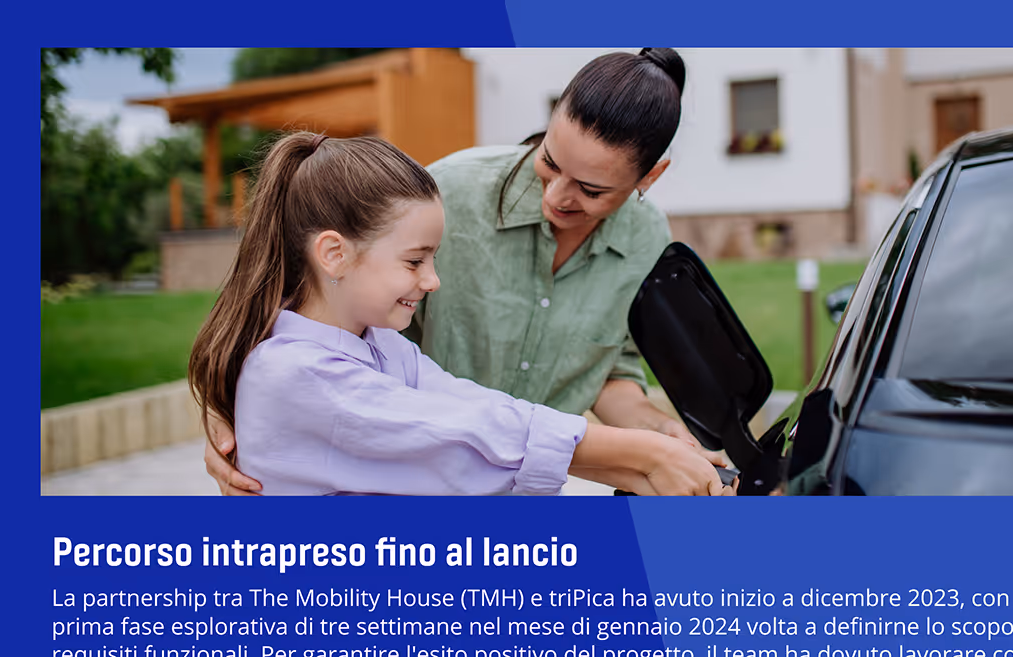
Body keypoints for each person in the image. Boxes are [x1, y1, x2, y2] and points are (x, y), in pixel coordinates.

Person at [205, 48, 705, 494]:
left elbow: (479, 409)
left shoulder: (389, 352)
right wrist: (231, 418)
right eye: (550, 161)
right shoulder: (444, 193)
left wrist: (660, 452)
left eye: (591, 190)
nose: (556, 196)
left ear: (651, 176)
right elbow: (461, 435)